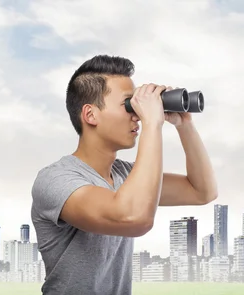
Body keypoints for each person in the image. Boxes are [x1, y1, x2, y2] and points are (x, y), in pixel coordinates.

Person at [30, 54, 218, 295]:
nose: (137, 115)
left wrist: (185, 125)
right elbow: (133, 217)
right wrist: (152, 124)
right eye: (129, 104)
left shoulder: (127, 176)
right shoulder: (56, 180)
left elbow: (202, 191)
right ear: (91, 115)